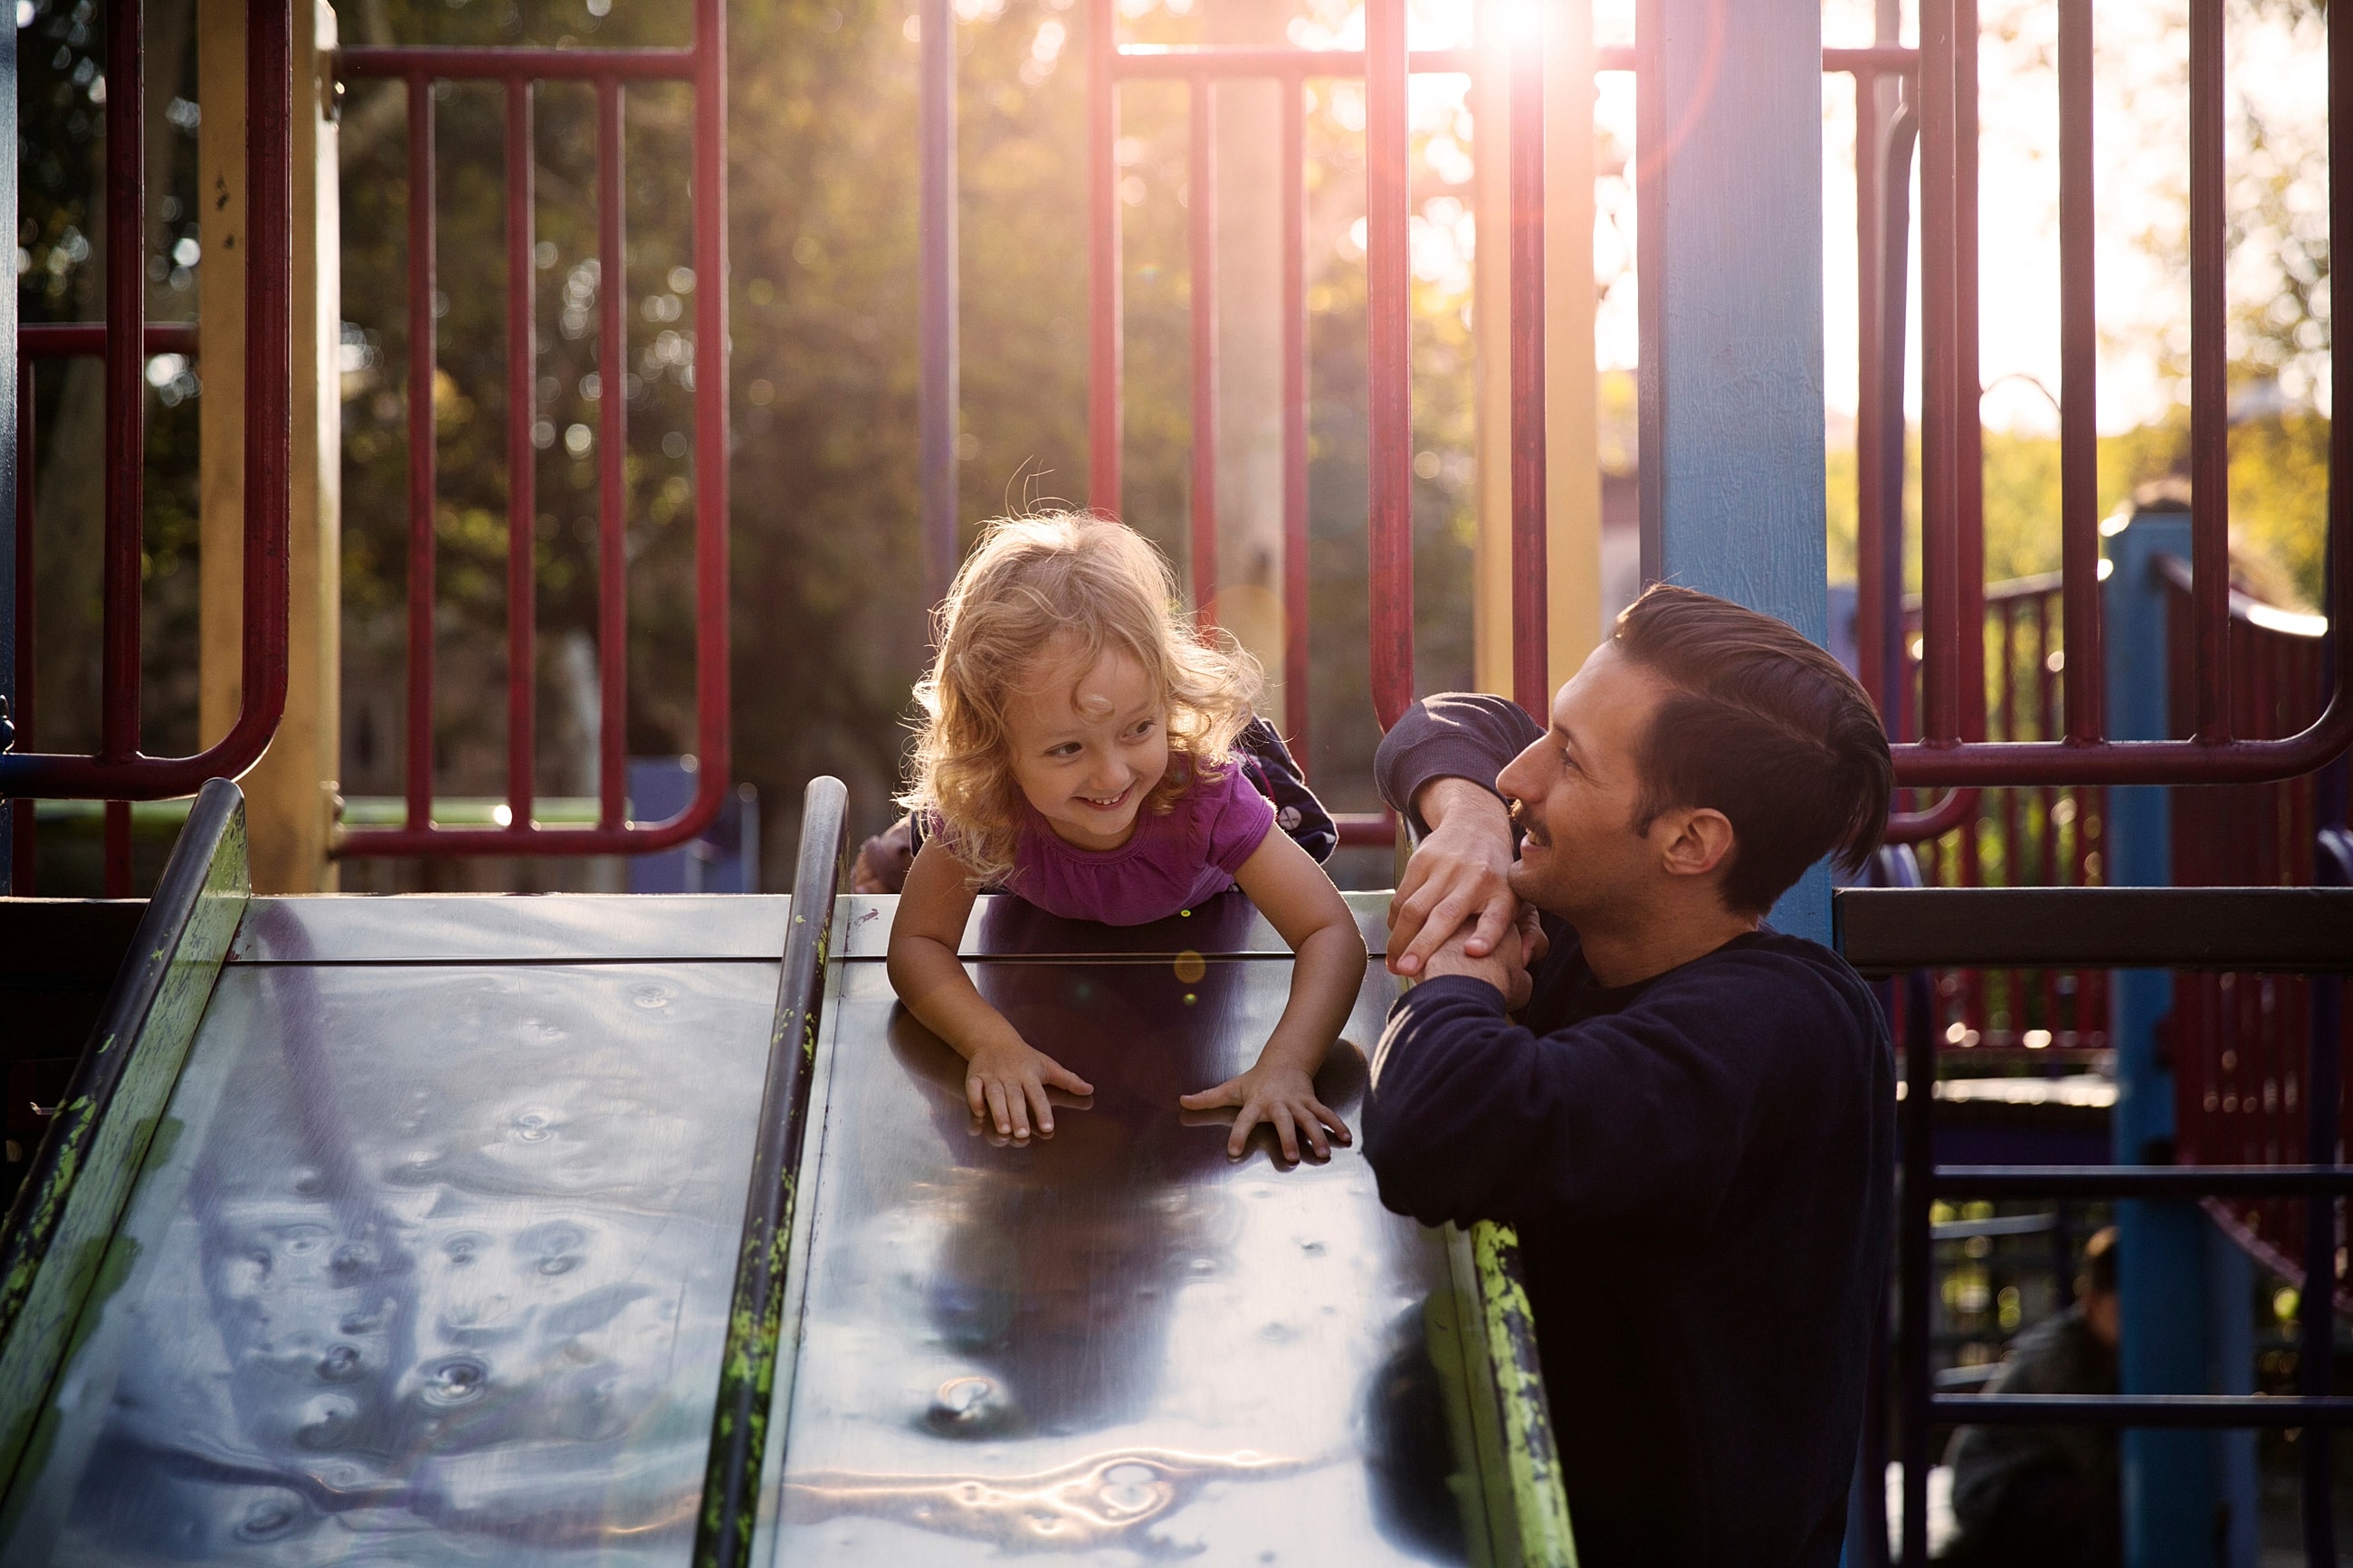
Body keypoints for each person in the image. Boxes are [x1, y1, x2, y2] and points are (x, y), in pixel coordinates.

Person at [1362, 584, 1897, 1568]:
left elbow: (1436, 1125)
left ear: (1689, 842)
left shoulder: (1782, 1030)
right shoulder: (1591, 929)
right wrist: (1474, 826)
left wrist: (1460, 962)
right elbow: (1447, 723)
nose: (1522, 771)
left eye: (1569, 759)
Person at [885, 512, 1367, 1163]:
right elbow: (917, 943)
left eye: (1139, 727)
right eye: (1066, 747)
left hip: (1205, 871)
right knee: (927, 837)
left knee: (1235, 776)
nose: (1111, 774)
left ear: (1164, 698)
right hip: (1031, 863)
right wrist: (989, 1040)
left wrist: (1287, 1063)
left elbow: (1330, 932)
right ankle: (889, 849)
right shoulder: (986, 803)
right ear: (996, 748)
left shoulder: (1204, 796)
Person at [1942, 1227, 2123, 1568]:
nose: (2134, 1326)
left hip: (2038, 1475)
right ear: (2093, 1303)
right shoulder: (2060, 1359)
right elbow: (2098, 1459)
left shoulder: (2101, 1349)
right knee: (2091, 1510)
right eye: (2123, 1312)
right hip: (1994, 1487)